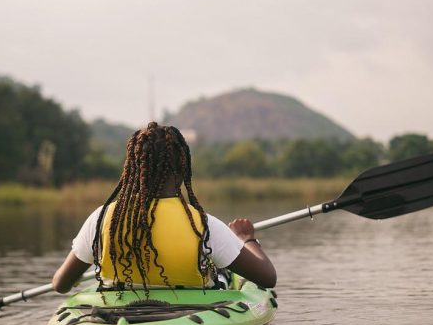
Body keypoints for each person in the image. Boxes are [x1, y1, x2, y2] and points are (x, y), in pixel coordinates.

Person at [52, 122, 276, 295]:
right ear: (182, 169)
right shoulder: (203, 226)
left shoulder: (101, 219)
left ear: (132, 169)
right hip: (191, 315)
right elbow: (267, 278)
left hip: (117, 312)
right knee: (222, 274)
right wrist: (246, 239)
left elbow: (60, 284)